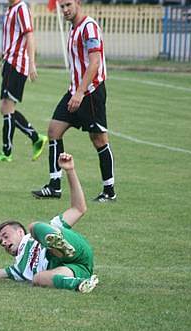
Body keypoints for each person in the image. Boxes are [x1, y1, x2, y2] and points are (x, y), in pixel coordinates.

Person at [0, 153, 99, 293]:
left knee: (35, 227)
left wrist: (70, 170)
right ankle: (81, 283)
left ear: (20, 232)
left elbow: (79, 209)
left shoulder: (41, 231)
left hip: (77, 250)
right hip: (74, 269)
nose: (3, 242)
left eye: (5, 236)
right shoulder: (18, 269)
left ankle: (61, 246)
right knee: (38, 278)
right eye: (1, 242)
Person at [32, 0, 116, 202]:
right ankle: (54, 186)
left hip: (91, 92)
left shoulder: (89, 27)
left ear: (78, 2)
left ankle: (109, 191)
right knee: (54, 131)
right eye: (62, 6)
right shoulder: (73, 29)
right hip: (75, 91)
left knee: (99, 140)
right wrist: (75, 91)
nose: (65, 10)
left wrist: (80, 92)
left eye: (68, 4)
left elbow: (95, 62)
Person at [0, 0, 47, 163]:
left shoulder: (21, 9)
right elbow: (13, 39)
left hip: (17, 65)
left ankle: (9, 151)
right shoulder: (10, 9)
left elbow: (30, 35)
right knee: (6, 108)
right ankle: (34, 138)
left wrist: (32, 63)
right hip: (9, 63)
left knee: (7, 107)